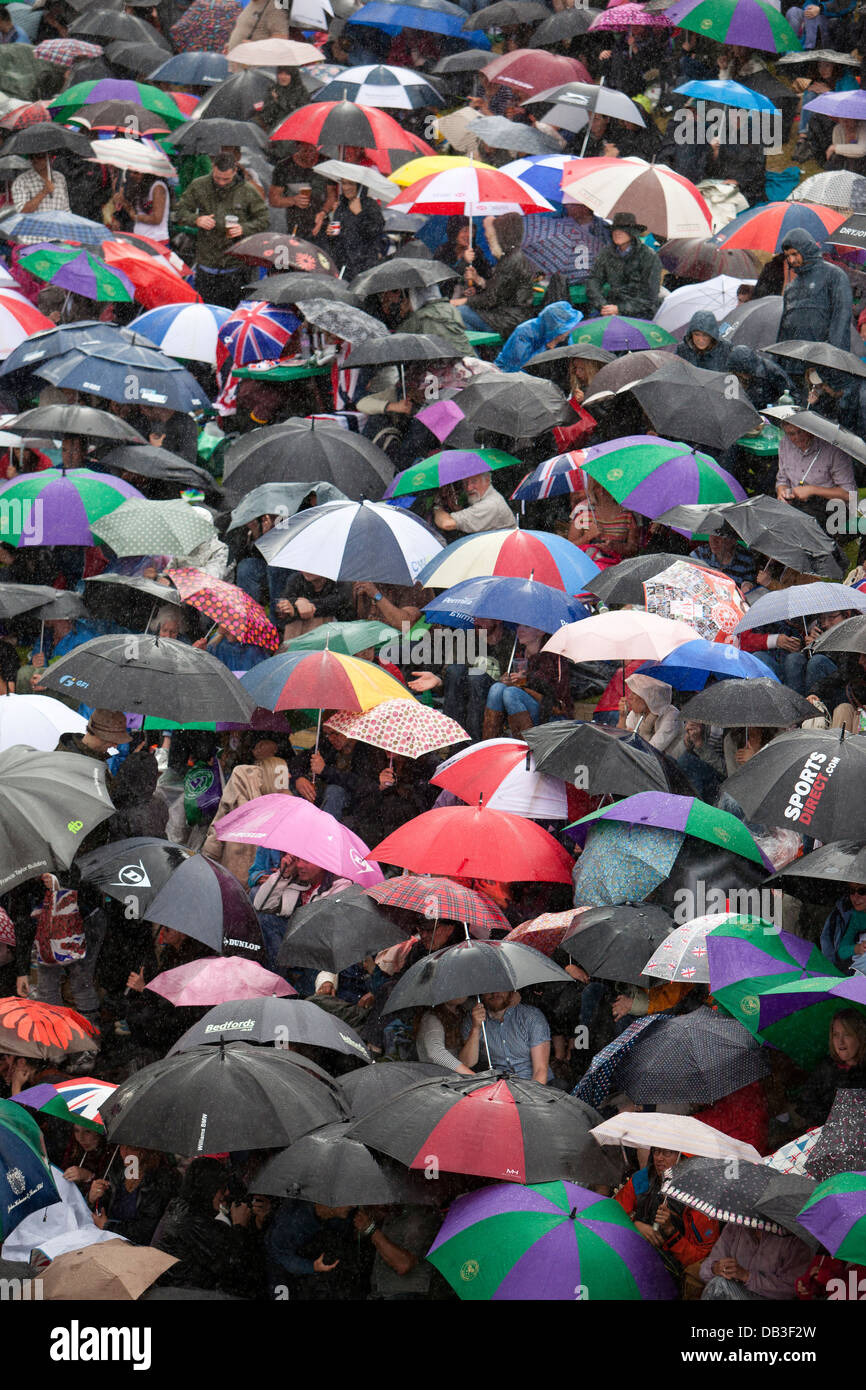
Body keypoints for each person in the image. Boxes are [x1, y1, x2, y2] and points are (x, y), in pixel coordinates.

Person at [173, 153, 270, 308]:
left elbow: (264, 219)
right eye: (217, 178)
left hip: (236, 266)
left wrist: (244, 228)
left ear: (234, 171)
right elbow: (179, 211)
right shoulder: (200, 185)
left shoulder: (247, 190)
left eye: (226, 179)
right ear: (213, 168)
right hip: (207, 263)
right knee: (205, 312)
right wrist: (196, 219)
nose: (221, 183)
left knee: (231, 313)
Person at [615, 1147, 720, 1286]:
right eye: (656, 1152)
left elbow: (701, 1260)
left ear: (682, 1157)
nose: (659, 1158)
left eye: (667, 1153)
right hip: (633, 1254)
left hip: (673, 1274)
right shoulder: (642, 1179)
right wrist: (634, 1224)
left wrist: (671, 1231)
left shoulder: (700, 1198)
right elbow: (613, 1214)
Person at [451, 213, 537, 338]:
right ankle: (482, 352)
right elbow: (501, 289)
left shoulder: (510, 261)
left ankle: (474, 354)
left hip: (507, 321)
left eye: (489, 233)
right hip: (509, 316)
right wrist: (478, 280)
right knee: (464, 324)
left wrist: (461, 301)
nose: (486, 236)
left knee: (458, 313)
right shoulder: (510, 257)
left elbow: (491, 299)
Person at [482, 623, 571, 737]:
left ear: (540, 632)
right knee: (497, 688)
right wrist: (507, 680)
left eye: (526, 627)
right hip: (522, 702)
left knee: (511, 693)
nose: (520, 630)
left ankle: (525, 744)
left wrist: (527, 679)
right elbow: (516, 684)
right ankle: (490, 741)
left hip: (550, 710)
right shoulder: (518, 652)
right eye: (518, 626)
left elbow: (553, 690)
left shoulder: (552, 655)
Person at [777, 229, 853, 351]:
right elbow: (784, 329)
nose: (791, 260)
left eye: (795, 254)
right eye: (787, 256)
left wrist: (832, 356)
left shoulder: (833, 275)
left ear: (806, 250)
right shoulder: (791, 287)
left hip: (823, 360)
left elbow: (841, 319)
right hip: (794, 361)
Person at [700, 1225, 814, 1300]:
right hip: (732, 1293)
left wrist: (747, 1276)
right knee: (719, 1283)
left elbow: (790, 1288)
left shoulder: (793, 1239)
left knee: (721, 1284)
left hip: (767, 1297)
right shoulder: (737, 1226)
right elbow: (705, 1269)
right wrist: (715, 1267)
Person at [585, 212, 663, 322]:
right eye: (615, 230)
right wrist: (603, 305)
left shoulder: (648, 256)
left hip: (641, 313)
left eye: (622, 230)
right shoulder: (606, 253)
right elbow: (594, 280)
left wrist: (620, 309)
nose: (617, 233)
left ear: (632, 233)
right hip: (610, 308)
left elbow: (650, 296)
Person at [795, 1008, 866, 1127]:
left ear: (860, 1036)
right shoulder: (826, 1067)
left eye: (847, 1034)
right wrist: (831, 1120)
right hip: (828, 1137)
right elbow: (805, 1102)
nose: (840, 1041)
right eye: (836, 1035)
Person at [461, 988, 551, 1081]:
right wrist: (476, 1028)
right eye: (488, 988)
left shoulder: (531, 1016)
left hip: (536, 1085)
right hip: (501, 1085)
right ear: (482, 994)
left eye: (500, 987)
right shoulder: (473, 1019)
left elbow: (540, 1070)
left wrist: (531, 1095)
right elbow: (467, 1063)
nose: (495, 993)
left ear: (511, 991)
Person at [321, 178, 385, 281]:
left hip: (365, 265)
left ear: (360, 186)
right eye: (344, 183)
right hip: (343, 266)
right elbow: (336, 241)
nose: (346, 188)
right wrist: (330, 235)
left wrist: (359, 214)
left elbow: (375, 231)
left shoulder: (370, 205)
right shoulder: (341, 205)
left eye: (351, 184)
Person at [495, 302, 585, 374]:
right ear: (555, 327)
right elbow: (519, 366)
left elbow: (569, 357)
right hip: (510, 373)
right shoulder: (524, 332)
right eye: (565, 329)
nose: (568, 332)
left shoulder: (563, 335)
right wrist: (549, 346)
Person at [432, 471, 517, 535]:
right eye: (465, 483)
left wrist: (437, 507)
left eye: (474, 481)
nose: (469, 488)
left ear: (487, 480)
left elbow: (446, 523)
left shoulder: (490, 505)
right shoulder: (489, 497)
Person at [415, 997, 485, 1073]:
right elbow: (436, 1053)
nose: (462, 991)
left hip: (456, 1077)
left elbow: (468, 1061)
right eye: (457, 987)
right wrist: (470, 1075)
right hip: (437, 1078)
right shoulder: (431, 1019)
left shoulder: (462, 1011)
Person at [617, 672, 681, 752]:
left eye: (634, 693)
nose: (629, 697)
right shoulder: (637, 713)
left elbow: (653, 750)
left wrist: (635, 740)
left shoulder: (672, 715)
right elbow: (620, 743)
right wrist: (622, 717)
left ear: (648, 697)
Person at [820, 885, 866, 973]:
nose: (855, 897)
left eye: (862, 891)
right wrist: (857, 948)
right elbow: (841, 952)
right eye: (852, 891)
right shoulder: (855, 917)